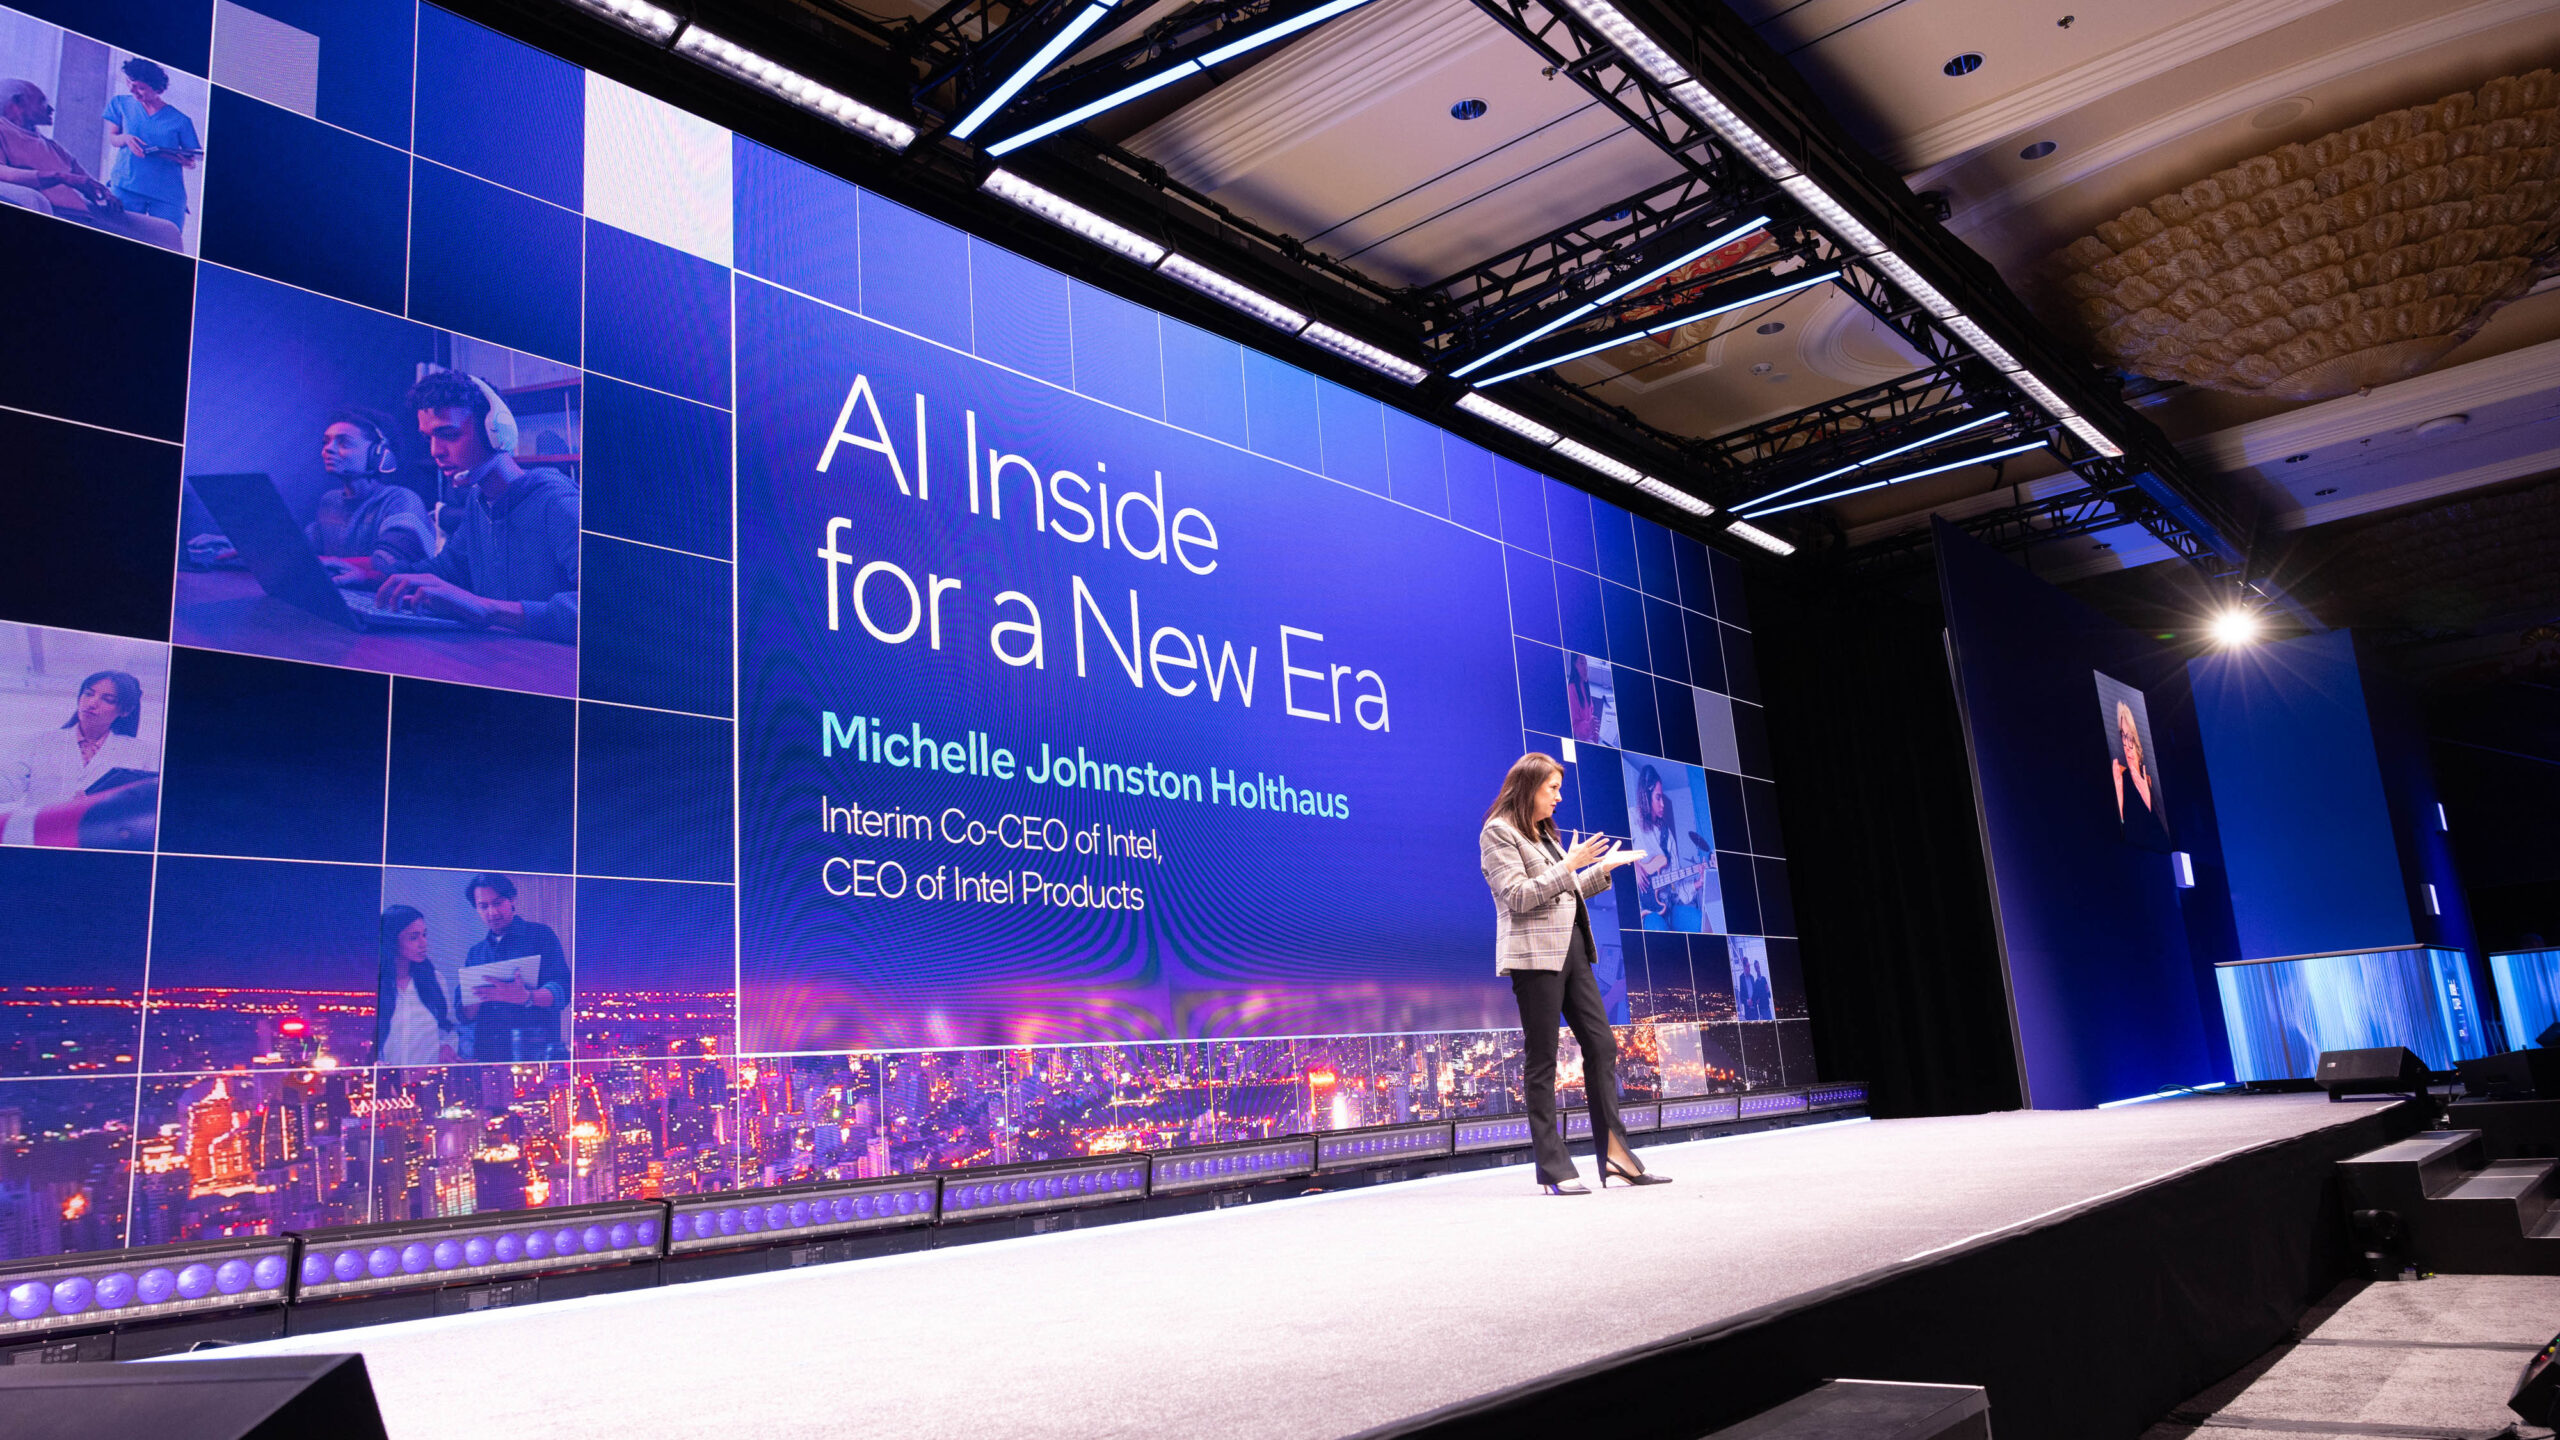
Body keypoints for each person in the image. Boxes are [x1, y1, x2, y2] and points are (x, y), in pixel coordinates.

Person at [1479, 752, 1668, 1194]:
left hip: (1573, 952)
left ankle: (1618, 1157)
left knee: (1602, 1046)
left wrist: (1600, 871)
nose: (1559, 798)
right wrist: (1570, 864)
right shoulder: (1498, 833)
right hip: (1535, 960)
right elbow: (1521, 897)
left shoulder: (1543, 834)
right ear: (1528, 788)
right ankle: (1553, 1167)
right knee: (1542, 1061)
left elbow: (1563, 893)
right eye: (1552, 789)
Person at [375, 373, 579, 643]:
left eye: (448, 434)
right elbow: (447, 570)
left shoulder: (557, 501)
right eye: (429, 439)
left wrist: (488, 609)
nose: (435, 451)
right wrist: (367, 574)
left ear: (495, 431)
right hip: (504, 660)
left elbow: (611, 610)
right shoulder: (478, 501)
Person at [186, 408, 437, 577]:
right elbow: (303, 551)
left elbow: (390, 565)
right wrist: (241, 546)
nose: (328, 449)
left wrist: (304, 561)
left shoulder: (401, 500)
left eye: (344, 442)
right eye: (326, 442)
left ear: (380, 454)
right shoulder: (330, 503)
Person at [0, 79, 181, 248]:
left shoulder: (50, 145)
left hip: (86, 214)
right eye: (41, 102)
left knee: (166, 231)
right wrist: (62, 178)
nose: (50, 109)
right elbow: (3, 173)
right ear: (17, 103)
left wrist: (104, 194)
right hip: (58, 213)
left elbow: (82, 178)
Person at [0, 670, 152, 812]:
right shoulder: (41, 742)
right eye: (88, 694)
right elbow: (6, 788)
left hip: (95, 836)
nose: (92, 703)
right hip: (40, 833)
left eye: (108, 699)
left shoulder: (140, 753)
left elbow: (145, 805)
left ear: (125, 711)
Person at [457, 872, 570, 1061]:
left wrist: (527, 997)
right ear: (476, 908)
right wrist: (477, 998)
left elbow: (564, 990)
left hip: (534, 1053)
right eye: (483, 906)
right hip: (488, 1055)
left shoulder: (540, 935)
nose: (492, 912)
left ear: (512, 900)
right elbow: (465, 1014)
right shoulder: (475, 953)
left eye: (498, 903)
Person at [100, 57, 198, 229]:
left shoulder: (181, 121)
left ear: (158, 90)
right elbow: (113, 138)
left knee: (166, 244)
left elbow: (191, 162)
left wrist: (171, 156)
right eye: (130, 82)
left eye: (141, 88)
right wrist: (126, 138)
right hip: (126, 186)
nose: (133, 89)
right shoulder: (120, 103)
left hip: (167, 196)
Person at [374, 905, 459, 1066]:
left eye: (424, 935)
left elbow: (448, 1028)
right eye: (413, 937)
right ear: (392, 941)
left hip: (427, 1083)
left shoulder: (435, 980)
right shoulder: (376, 983)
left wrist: (447, 1047)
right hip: (385, 1082)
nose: (423, 943)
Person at [1629, 764, 1705, 929]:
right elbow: (1612, 846)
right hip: (1646, 909)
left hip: (1669, 905)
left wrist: (1698, 883)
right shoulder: (1631, 818)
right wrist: (1632, 865)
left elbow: (1676, 887)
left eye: (1662, 797)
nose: (1662, 804)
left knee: (1698, 921)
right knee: (1656, 929)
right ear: (1645, 796)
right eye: (1658, 798)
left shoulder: (1668, 835)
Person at [2113, 700, 2170, 851]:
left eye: (2130, 738)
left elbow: (2165, 840)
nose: (2127, 746)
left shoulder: (2149, 782)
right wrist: (2119, 797)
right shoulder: (2120, 776)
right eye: (2123, 737)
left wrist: (2148, 800)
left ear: (2137, 743)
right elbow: (2124, 833)